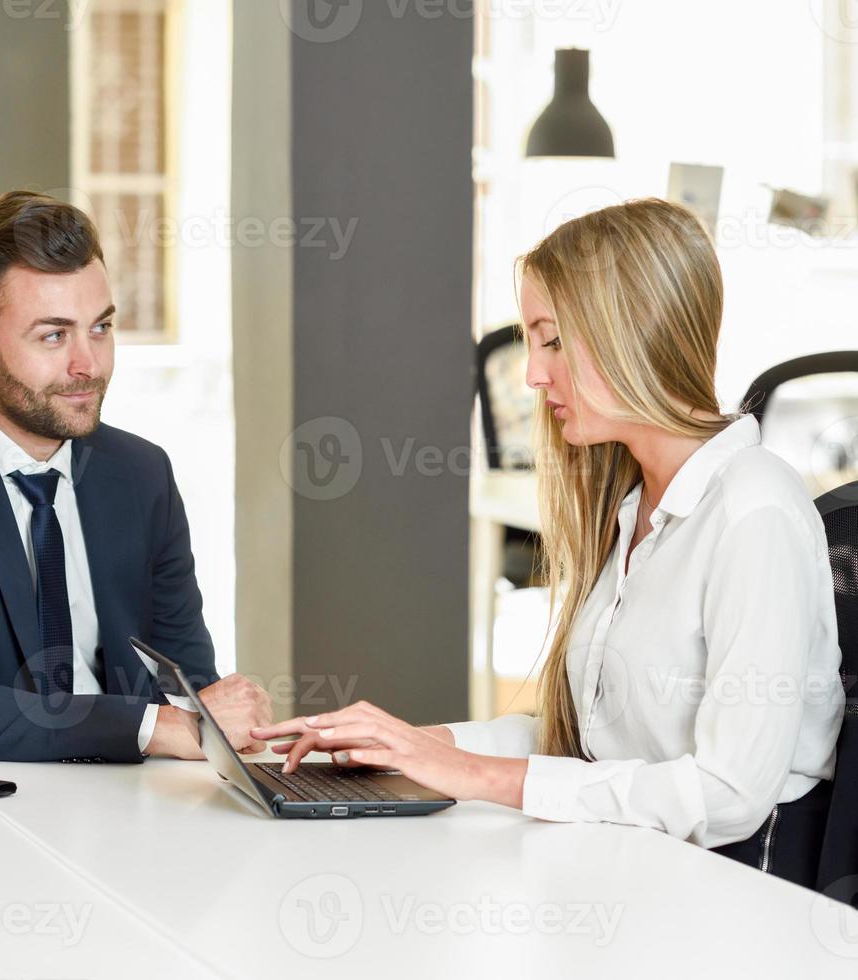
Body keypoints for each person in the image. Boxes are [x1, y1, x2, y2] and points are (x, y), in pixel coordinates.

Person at [253, 198, 844, 888]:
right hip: (635, 866)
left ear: (634, 332)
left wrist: (474, 775)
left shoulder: (752, 510)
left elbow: (728, 793)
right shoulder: (633, 506)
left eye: (553, 341)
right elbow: (594, 746)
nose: (532, 375)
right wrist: (414, 746)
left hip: (734, 888)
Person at [0, 190, 269, 762]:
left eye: (100, 328)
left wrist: (222, 714)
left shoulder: (140, 474)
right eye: (54, 335)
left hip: (125, 811)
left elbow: (185, 688)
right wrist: (147, 728)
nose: (89, 364)